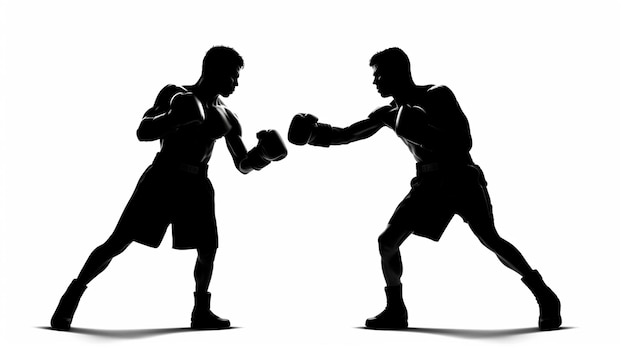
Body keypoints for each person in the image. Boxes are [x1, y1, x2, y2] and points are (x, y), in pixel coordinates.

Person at [287, 47, 561, 331]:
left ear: (399, 73)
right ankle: (396, 309)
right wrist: (314, 133)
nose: (375, 82)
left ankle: (546, 296)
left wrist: (424, 131)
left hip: (460, 176)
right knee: (387, 242)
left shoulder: (437, 94)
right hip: (427, 184)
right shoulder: (387, 113)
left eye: (379, 75)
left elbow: (463, 142)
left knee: (490, 238)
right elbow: (347, 134)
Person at [51, 46, 288, 331]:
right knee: (118, 241)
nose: (235, 84)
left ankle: (201, 312)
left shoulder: (228, 116)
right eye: (232, 77)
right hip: (163, 176)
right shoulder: (175, 92)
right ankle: (70, 299)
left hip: (198, 183)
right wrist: (174, 119)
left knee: (208, 249)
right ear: (212, 70)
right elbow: (143, 131)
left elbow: (242, 164)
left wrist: (263, 155)